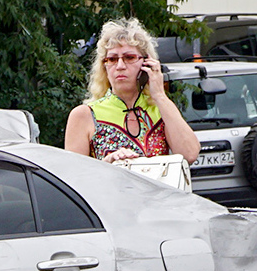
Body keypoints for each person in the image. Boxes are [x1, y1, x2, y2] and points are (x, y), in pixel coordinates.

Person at [64, 17, 199, 165]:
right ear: (104, 66)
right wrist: (107, 164)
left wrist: (160, 95)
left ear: (146, 63)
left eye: (129, 57)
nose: (120, 65)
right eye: (112, 59)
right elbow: (74, 178)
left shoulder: (160, 109)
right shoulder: (85, 115)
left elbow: (190, 154)